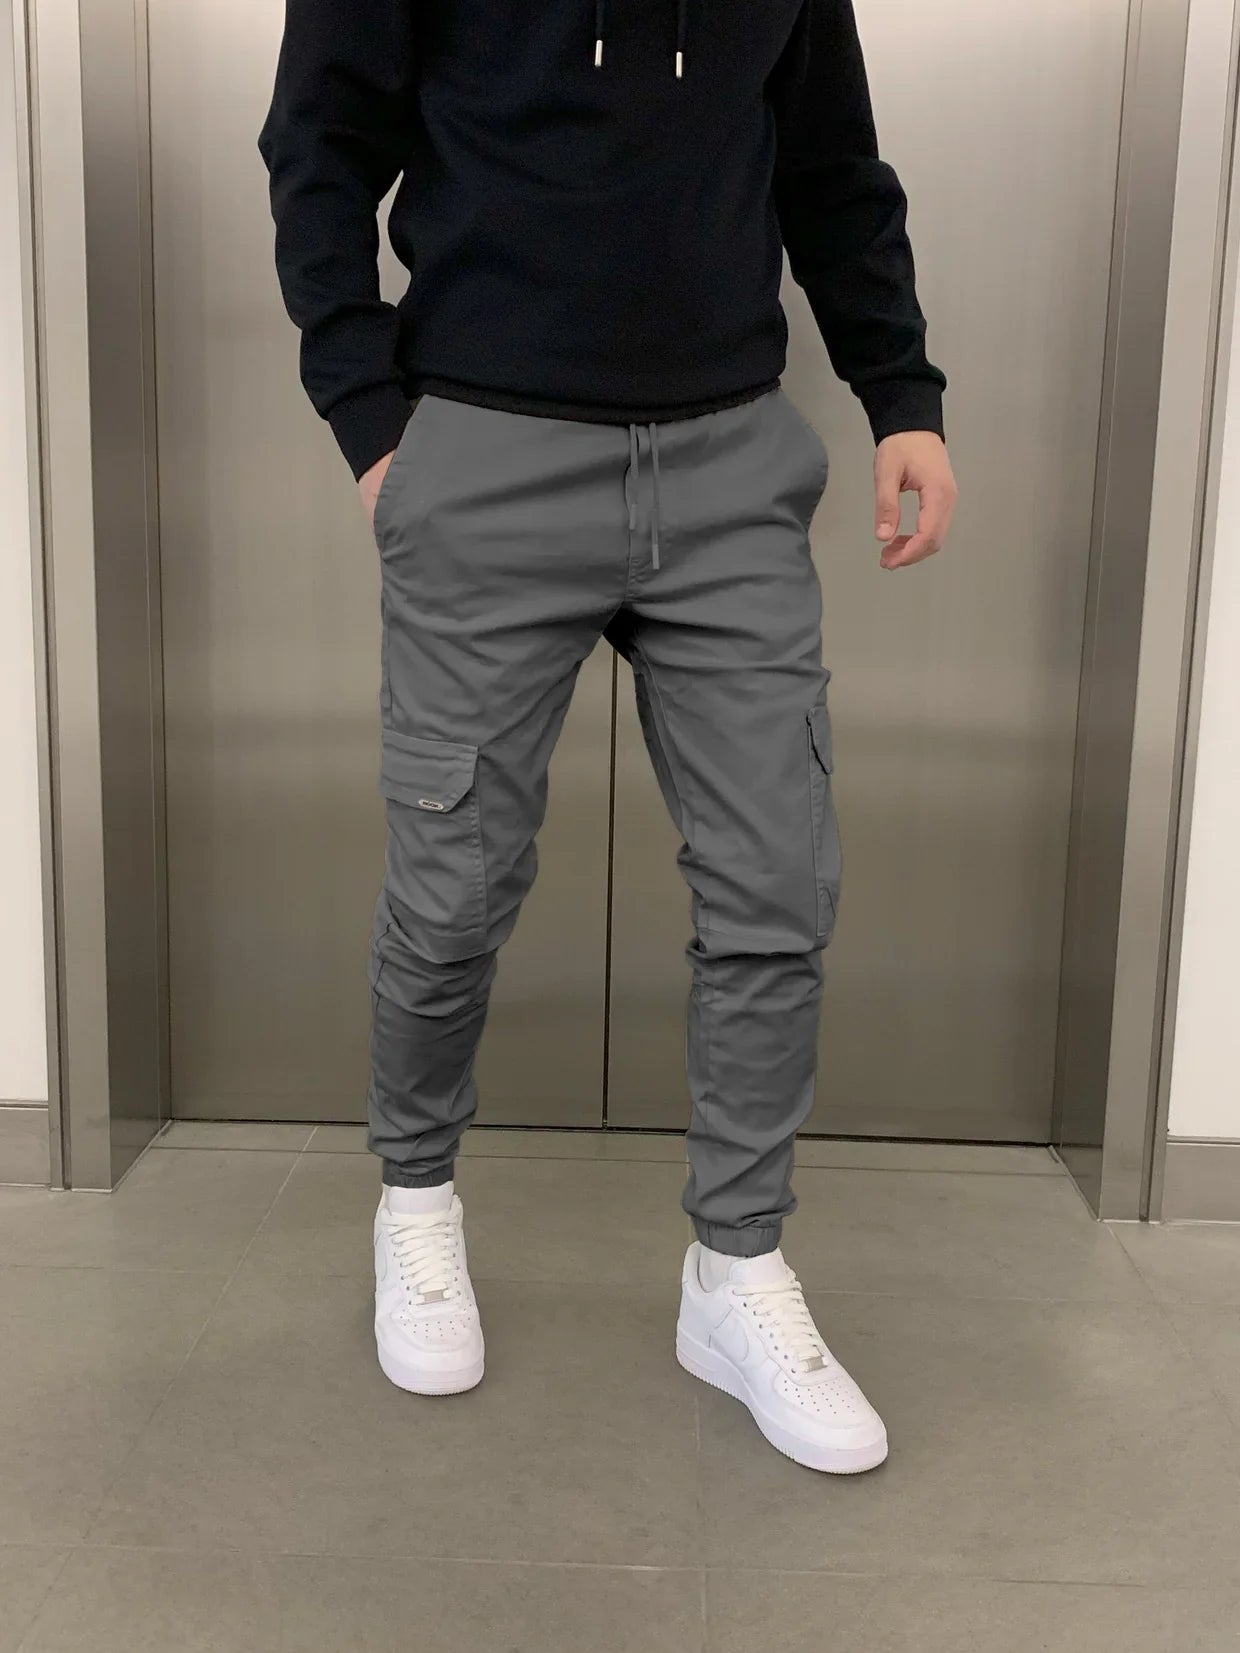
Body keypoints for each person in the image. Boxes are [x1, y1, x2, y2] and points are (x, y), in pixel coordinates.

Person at [259, 0, 955, 1475]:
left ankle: (736, 1268)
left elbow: (829, 160)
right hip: (484, 453)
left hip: (730, 465)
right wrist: (371, 420)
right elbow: (318, 145)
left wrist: (900, 390)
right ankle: (415, 1200)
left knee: (777, 883)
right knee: (453, 889)